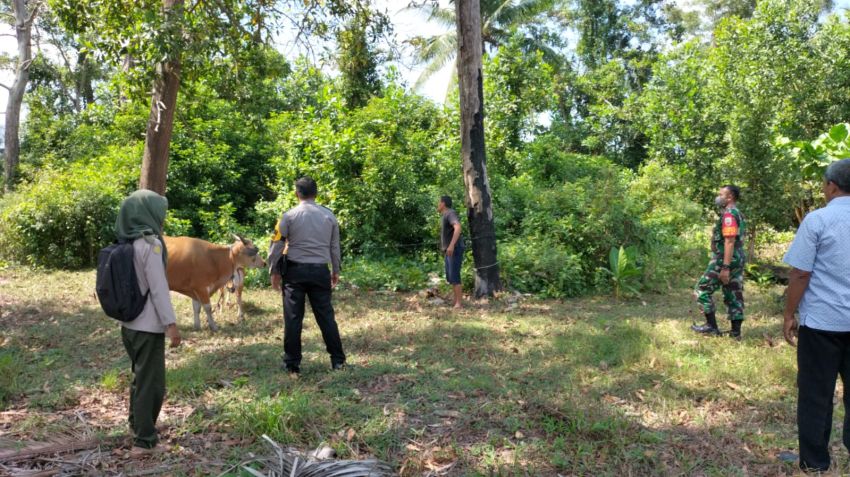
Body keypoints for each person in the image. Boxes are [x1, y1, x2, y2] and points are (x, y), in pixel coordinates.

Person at [783, 159, 850, 473]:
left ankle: (815, 461)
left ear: (831, 185)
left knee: (815, 395)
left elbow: (800, 275)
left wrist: (788, 314)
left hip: (822, 324)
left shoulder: (818, 220)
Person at [115, 189, 182, 457]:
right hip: (148, 326)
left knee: (139, 378)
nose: (162, 218)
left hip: (129, 325)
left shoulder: (125, 242)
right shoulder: (150, 245)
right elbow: (159, 289)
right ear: (149, 214)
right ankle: (144, 442)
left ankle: (137, 425)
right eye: (159, 212)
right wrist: (172, 324)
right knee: (151, 384)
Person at [268, 177, 346, 374]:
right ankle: (338, 361)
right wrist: (336, 270)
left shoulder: (288, 216)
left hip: (294, 272)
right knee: (326, 317)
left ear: (297, 193)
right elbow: (334, 247)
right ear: (316, 193)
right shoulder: (329, 216)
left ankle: (292, 364)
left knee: (293, 318)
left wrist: (274, 270)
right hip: (320, 271)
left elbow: (276, 245)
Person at [691, 185, 747, 338]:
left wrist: (725, 267)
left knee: (701, 289)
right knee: (733, 292)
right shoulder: (738, 213)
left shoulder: (729, 215)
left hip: (726, 258)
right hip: (738, 257)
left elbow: (729, 241)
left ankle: (711, 327)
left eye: (721, 194)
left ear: (730, 197)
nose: (718, 197)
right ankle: (736, 333)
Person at [438, 195, 464, 309]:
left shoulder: (450, 213)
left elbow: (458, 227)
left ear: (443, 203)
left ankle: (459, 303)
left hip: (455, 248)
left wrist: (451, 245)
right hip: (449, 250)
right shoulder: (446, 215)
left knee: (455, 275)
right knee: (451, 276)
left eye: (439, 202)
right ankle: (455, 301)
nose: (437, 205)